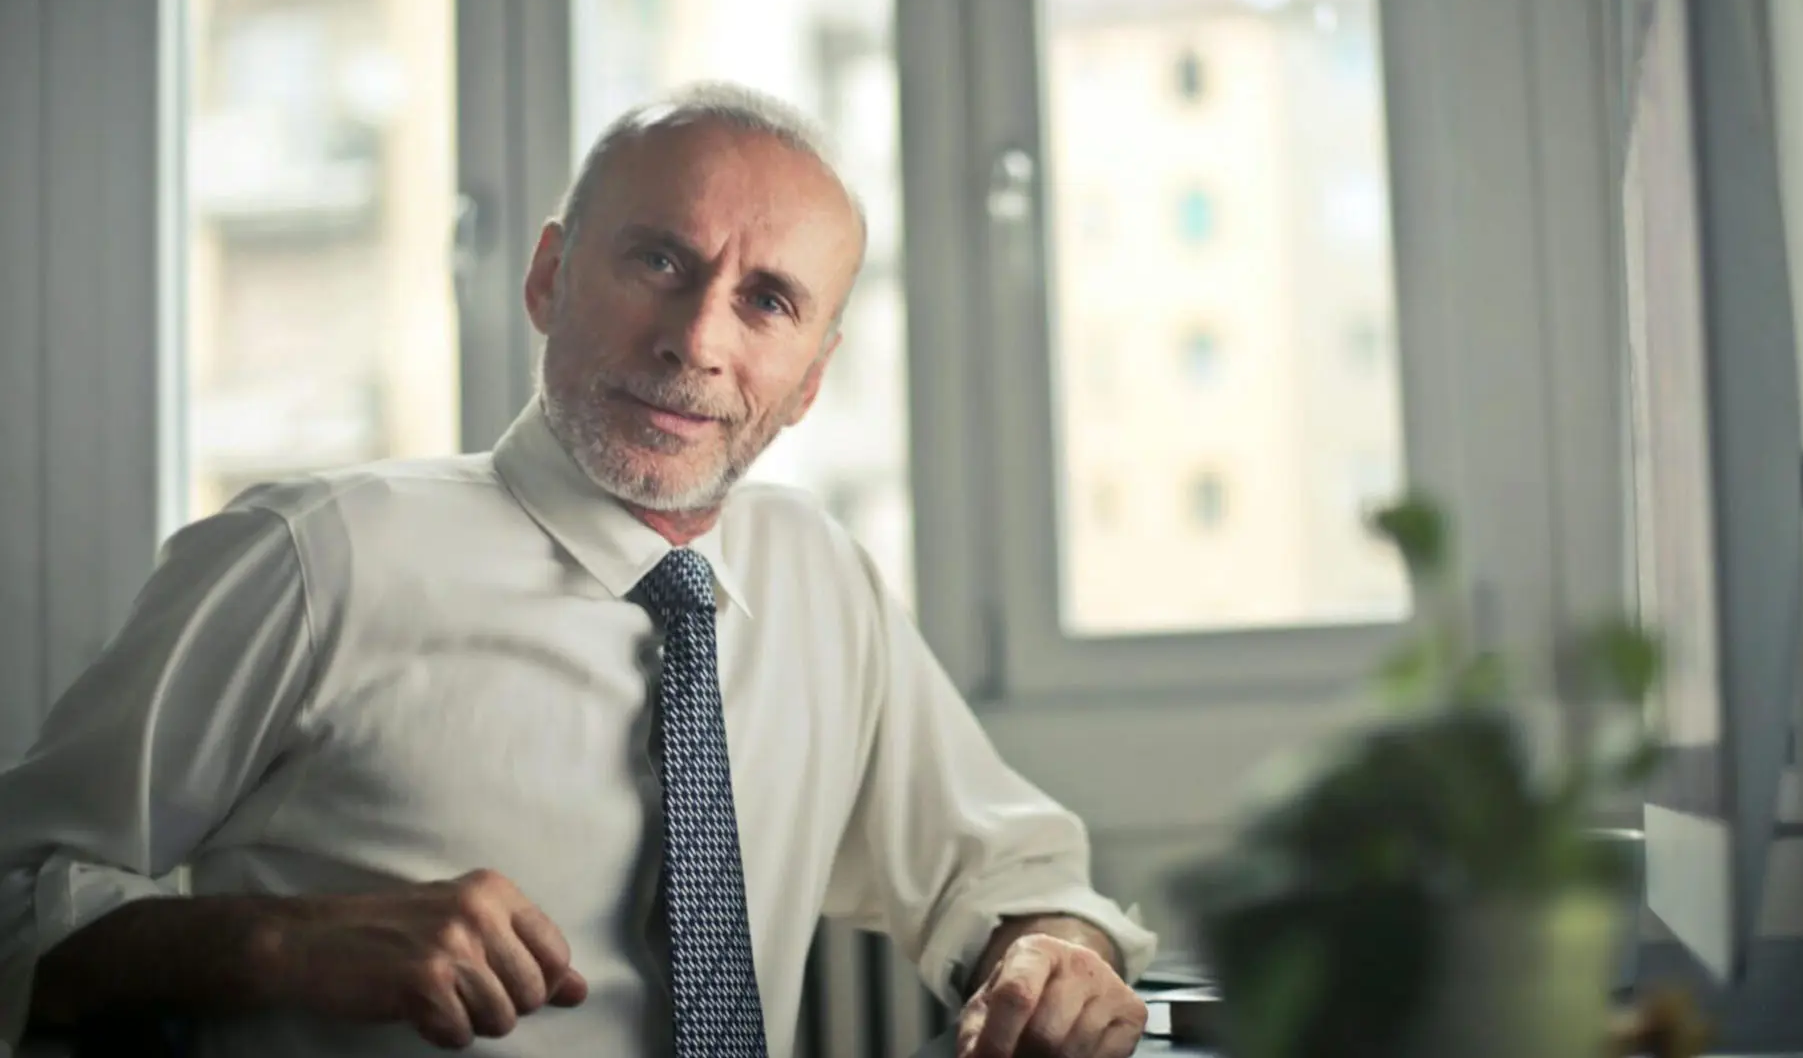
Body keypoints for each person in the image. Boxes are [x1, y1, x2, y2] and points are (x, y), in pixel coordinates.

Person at [0, 82, 1155, 1057]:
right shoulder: (313, 560)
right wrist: (282, 941)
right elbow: (15, 901)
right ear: (550, 275)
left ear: (809, 378)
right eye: (659, 259)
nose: (697, 339)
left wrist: (1054, 950)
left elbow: (1007, 869)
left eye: (767, 302)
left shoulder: (821, 577)